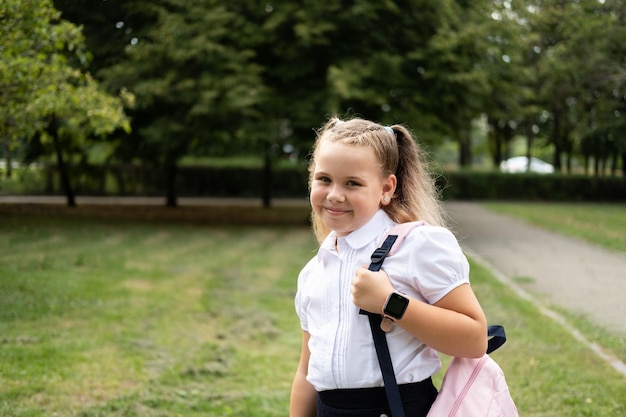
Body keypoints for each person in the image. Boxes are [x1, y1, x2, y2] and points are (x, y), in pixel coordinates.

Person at [289, 117, 488, 417]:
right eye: (324, 179)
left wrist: (390, 302)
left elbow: (474, 339)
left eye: (352, 183)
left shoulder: (418, 246)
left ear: (386, 188)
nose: (334, 194)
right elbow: (306, 373)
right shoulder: (313, 273)